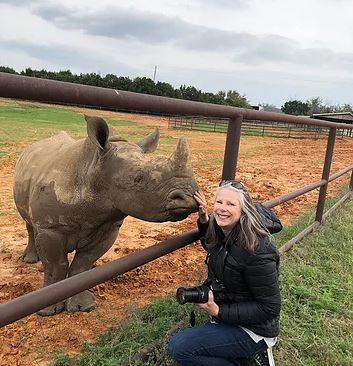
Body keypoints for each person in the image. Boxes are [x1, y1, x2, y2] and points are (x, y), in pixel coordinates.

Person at [168, 180, 282, 366]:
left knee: (180, 347)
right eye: (219, 202)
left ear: (243, 210)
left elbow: (269, 308)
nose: (222, 208)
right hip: (232, 312)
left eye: (230, 204)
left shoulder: (258, 250)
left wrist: (219, 311)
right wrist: (204, 217)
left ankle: (259, 346)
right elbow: (213, 245)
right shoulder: (228, 231)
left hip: (254, 329)